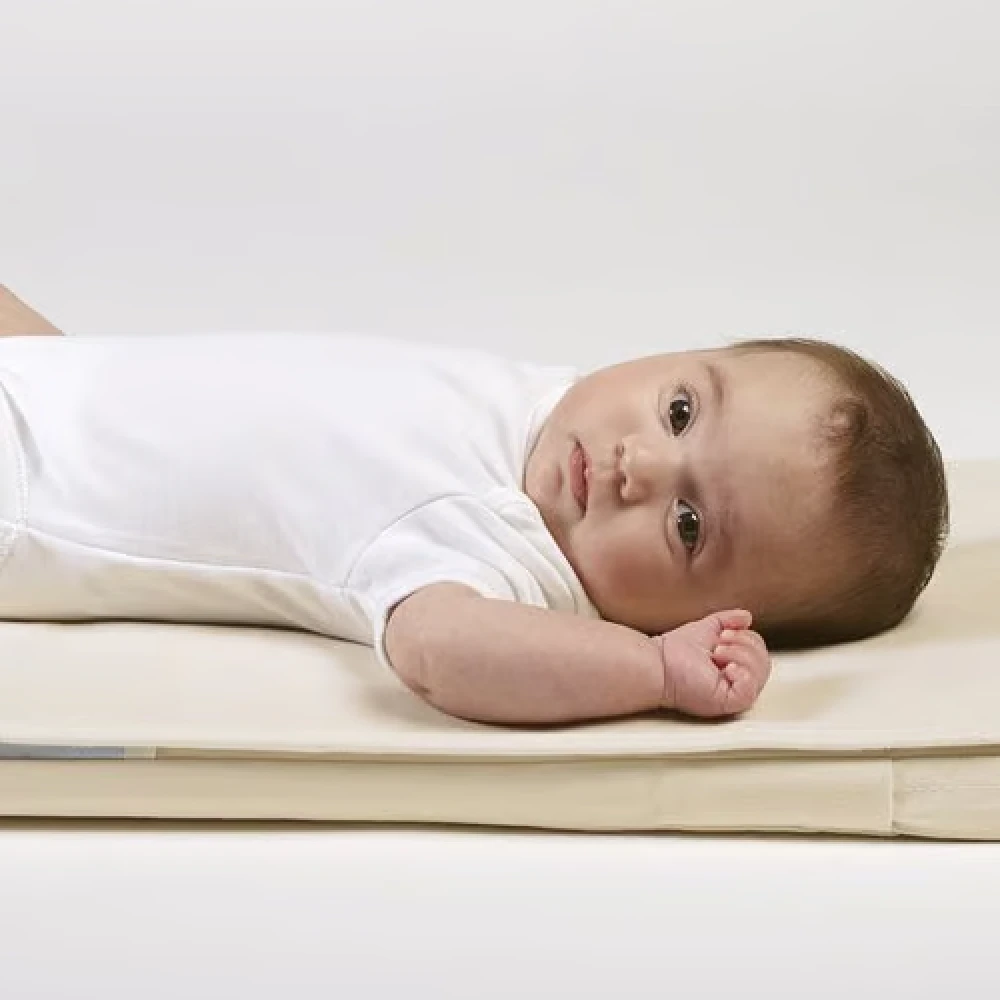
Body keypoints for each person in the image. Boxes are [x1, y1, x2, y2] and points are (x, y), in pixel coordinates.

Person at [0, 329, 948, 726]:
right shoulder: (551, 406)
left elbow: (437, 651)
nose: (639, 466)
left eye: (689, 524)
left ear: (680, 617)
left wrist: (653, 673)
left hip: (34, 489)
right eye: (680, 411)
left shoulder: (506, 557)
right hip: (59, 372)